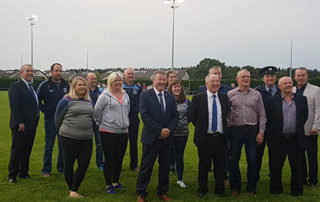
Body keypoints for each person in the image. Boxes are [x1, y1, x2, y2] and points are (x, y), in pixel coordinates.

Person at [136, 70, 178, 202]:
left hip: (167, 139)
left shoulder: (170, 96)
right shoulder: (145, 95)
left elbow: (175, 117)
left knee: (165, 167)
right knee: (146, 167)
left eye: (164, 79)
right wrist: (159, 130)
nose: (162, 82)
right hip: (151, 138)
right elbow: (145, 116)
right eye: (159, 79)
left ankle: (162, 192)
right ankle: (142, 193)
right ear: (153, 80)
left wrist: (168, 130)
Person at [267, 76, 308, 196]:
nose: (289, 85)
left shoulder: (302, 99)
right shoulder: (272, 101)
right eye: (285, 83)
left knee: (297, 166)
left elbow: (304, 116)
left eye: (290, 82)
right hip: (278, 139)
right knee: (276, 166)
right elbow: (269, 119)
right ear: (279, 86)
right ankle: (275, 189)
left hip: (295, 139)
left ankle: (296, 190)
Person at [190, 74, 229, 198]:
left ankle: (220, 188)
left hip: (220, 138)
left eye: (217, 81)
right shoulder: (198, 98)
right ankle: (202, 189)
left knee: (220, 166)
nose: (215, 84)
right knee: (204, 165)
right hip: (205, 138)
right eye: (213, 81)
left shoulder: (224, 98)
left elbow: (226, 115)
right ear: (206, 83)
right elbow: (193, 117)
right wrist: (202, 128)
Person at [228, 69, 266, 196]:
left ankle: (251, 188)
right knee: (233, 160)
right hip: (235, 131)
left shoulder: (257, 95)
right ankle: (235, 187)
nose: (246, 79)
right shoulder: (230, 94)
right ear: (237, 79)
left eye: (248, 77)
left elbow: (262, 115)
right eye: (243, 76)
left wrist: (261, 132)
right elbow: (226, 114)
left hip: (252, 131)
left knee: (253, 160)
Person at [54, 77, 94, 198]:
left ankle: (73, 188)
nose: (82, 87)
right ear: (73, 87)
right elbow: (57, 119)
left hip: (87, 137)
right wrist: (65, 131)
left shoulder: (89, 101)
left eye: (84, 85)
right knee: (69, 163)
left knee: (84, 164)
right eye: (79, 85)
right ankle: (73, 190)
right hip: (68, 137)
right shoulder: (66, 100)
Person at [94, 71, 130, 194]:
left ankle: (116, 181)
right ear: (110, 82)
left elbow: (127, 110)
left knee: (119, 158)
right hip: (108, 131)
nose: (118, 82)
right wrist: (103, 123)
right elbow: (97, 111)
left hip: (123, 131)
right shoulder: (104, 96)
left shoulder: (125, 95)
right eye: (115, 80)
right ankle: (108, 184)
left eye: (120, 80)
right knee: (110, 159)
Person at [8, 64, 39, 183]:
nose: (30, 73)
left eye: (32, 71)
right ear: (21, 73)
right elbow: (14, 106)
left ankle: (24, 172)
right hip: (21, 125)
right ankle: (12, 175)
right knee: (17, 150)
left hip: (32, 124)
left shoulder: (32, 86)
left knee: (27, 149)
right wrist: (19, 122)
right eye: (28, 71)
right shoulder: (15, 86)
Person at [37, 63, 69, 177]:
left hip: (64, 121)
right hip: (50, 120)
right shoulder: (45, 85)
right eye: (56, 70)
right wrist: (46, 111)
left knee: (63, 145)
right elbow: (38, 100)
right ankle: (46, 170)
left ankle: (61, 167)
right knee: (49, 145)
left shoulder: (66, 85)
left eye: (60, 70)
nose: (58, 73)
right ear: (51, 72)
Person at [293, 67, 320, 187]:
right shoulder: (292, 89)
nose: (300, 77)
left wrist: (316, 126)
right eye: (298, 75)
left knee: (311, 156)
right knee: (299, 155)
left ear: (307, 76)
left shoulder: (316, 90)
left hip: (310, 128)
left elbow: (319, 109)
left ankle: (313, 180)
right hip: (297, 129)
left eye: (303, 75)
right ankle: (302, 178)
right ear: (295, 77)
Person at [254, 66, 281, 182]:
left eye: (272, 76)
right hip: (260, 128)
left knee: (275, 154)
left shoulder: (281, 91)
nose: (270, 78)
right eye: (267, 76)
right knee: (257, 154)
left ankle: (273, 176)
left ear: (275, 77)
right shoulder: (257, 91)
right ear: (263, 78)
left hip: (276, 128)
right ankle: (255, 176)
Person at [167, 80, 190, 188]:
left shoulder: (186, 101)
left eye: (179, 87)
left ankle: (180, 179)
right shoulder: (167, 99)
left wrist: (184, 123)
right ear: (171, 88)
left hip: (182, 133)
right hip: (169, 133)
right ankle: (165, 176)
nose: (177, 89)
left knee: (179, 156)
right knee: (166, 155)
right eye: (174, 87)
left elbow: (190, 115)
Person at [123, 68, 142, 172]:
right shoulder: (120, 87)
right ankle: (118, 164)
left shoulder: (138, 88)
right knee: (121, 143)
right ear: (124, 76)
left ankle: (134, 165)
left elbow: (141, 102)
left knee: (133, 143)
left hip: (134, 118)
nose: (130, 75)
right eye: (128, 74)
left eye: (132, 74)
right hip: (122, 118)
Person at [86, 72, 104, 170]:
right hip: (86, 120)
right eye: (91, 79)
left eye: (95, 79)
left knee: (99, 143)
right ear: (87, 80)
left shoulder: (101, 91)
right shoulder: (83, 90)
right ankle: (84, 163)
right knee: (86, 143)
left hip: (98, 120)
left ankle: (100, 163)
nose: (93, 81)